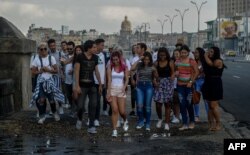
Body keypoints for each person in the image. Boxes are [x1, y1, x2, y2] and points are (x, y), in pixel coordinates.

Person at [30, 43, 65, 124]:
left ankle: (54, 112)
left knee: (52, 100)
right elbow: (33, 71)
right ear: (39, 50)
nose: (43, 51)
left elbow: (56, 70)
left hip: (50, 81)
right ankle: (42, 116)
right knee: (41, 99)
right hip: (41, 82)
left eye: (45, 49)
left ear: (47, 50)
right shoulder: (36, 59)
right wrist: (40, 71)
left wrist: (48, 70)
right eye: (41, 49)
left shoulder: (51, 58)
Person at [74, 40, 102, 134]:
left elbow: (96, 71)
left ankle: (91, 125)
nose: (95, 49)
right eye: (94, 47)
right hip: (82, 85)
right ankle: (79, 118)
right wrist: (77, 85)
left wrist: (100, 83)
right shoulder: (80, 56)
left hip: (92, 85)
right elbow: (76, 71)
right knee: (80, 106)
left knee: (93, 104)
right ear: (89, 48)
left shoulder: (95, 57)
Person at [131, 52, 158, 131]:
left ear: (150, 60)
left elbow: (156, 76)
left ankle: (148, 123)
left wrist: (155, 78)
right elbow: (132, 68)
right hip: (140, 86)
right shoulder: (139, 65)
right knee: (139, 105)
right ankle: (141, 121)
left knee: (148, 106)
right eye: (145, 59)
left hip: (149, 86)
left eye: (148, 60)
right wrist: (139, 59)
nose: (146, 61)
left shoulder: (152, 67)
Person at [175, 45, 199, 131]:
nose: (183, 54)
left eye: (185, 52)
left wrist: (191, 82)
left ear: (188, 53)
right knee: (182, 104)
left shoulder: (192, 61)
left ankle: (192, 121)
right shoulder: (177, 61)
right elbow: (175, 71)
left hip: (189, 86)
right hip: (180, 85)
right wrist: (176, 73)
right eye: (182, 52)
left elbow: (196, 72)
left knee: (189, 103)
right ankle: (184, 123)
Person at [202, 46, 226, 131]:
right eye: (209, 51)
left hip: (215, 84)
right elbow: (203, 69)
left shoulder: (218, 61)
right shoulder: (208, 60)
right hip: (207, 83)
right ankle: (211, 124)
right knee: (209, 106)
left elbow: (212, 65)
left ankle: (218, 123)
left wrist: (205, 56)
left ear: (216, 52)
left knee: (213, 105)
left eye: (211, 52)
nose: (210, 53)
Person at [106, 51, 129, 137]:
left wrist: (124, 87)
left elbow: (127, 79)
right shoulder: (110, 67)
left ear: (119, 59)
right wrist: (108, 93)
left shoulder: (124, 67)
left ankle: (125, 120)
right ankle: (114, 130)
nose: (115, 61)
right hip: (112, 89)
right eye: (113, 60)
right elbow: (109, 81)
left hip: (121, 89)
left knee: (122, 111)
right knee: (115, 110)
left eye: (116, 59)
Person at [153, 47, 175, 131]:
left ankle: (166, 123)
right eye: (160, 55)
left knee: (167, 104)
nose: (162, 56)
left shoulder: (170, 62)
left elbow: (173, 73)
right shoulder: (156, 63)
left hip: (168, 83)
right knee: (158, 104)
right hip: (159, 83)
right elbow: (154, 74)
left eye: (164, 55)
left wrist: (172, 78)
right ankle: (160, 119)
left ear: (166, 55)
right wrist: (154, 81)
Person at [193, 47, 209, 122]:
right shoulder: (194, 62)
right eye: (195, 53)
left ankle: (209, 116)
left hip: (205, 81)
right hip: (196, 82)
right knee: (196, 99)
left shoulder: (205, 61)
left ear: (200, 53)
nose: (195, 54)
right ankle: (196, 116)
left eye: (196, 52)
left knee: (206, 100)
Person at [171, 49, 181, 124]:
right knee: (175, 100)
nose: (176, 55)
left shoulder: (183, 62)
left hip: (182, 83)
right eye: (175, 54)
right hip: (173, 84)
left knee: (181, 101)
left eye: (177, 54)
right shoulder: (172, 62)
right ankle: (176, 115)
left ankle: (179, 114)